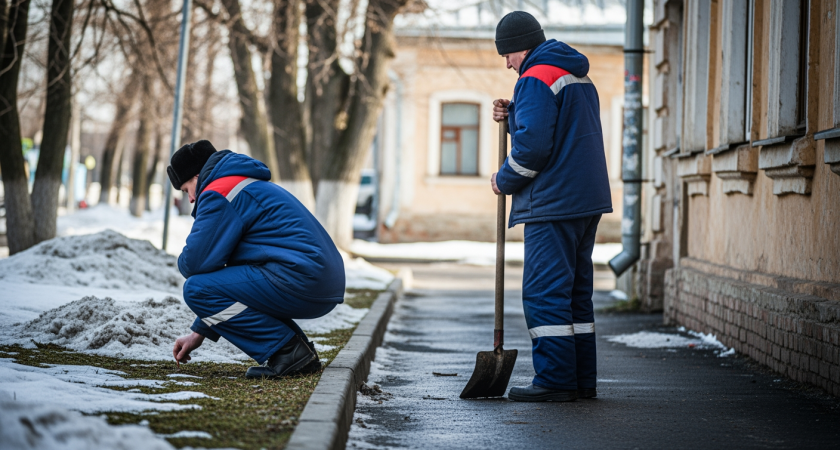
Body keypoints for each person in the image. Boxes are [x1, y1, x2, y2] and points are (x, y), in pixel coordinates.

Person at [490, 11, 612, 402]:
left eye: (507, 54)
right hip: (585, 199)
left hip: (553, 202)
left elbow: (534, 149)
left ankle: (556, 380)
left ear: (519, 47)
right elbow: (560, 131)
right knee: (575, 294)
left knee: (545, 292)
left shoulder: (535, 78)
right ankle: (581, 380)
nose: (507, 64)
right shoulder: (574, 74)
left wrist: (503, 180)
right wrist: (513, 114)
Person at [168, 140, 345, 378]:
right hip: (316, 278)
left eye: (186, 189)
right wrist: (198, 333)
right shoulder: (243, 183)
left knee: (195, 289)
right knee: (210, 286)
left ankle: (288, 352)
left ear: (197, 176)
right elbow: (235, 282)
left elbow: (194, 263)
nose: (190, 199)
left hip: (301, 277)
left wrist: (183, 260)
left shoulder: (219, 191)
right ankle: (297, 351)